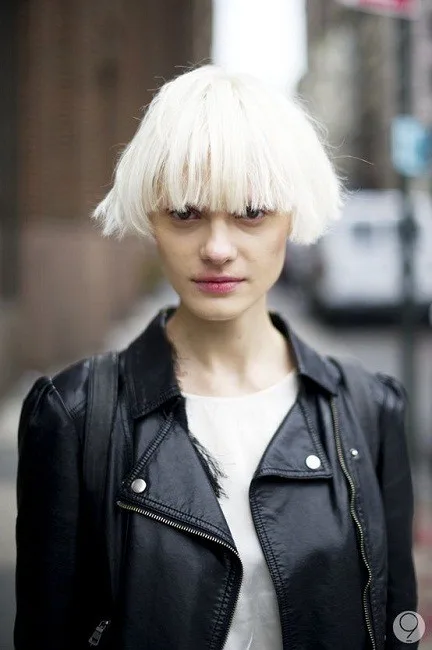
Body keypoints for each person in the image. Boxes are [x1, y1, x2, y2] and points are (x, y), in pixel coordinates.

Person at [14, 65, 418, 650]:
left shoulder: (368, 407)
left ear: (291, 215)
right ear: (152, 218)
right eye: (186, 212)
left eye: (252, 211)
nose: (218, 248)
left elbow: (395, 620)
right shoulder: (74, 414)